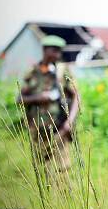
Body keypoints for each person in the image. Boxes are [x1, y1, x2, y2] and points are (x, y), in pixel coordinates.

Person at [18, 35, 80, 178]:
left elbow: (77, 96)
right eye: (54, 50)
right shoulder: (33, 72)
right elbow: (20, 99)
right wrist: (38, 98)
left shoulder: (62, 70)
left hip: (59, 129)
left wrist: (69, 122)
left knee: (63, 171)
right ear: (45, 50)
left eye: (59, 51)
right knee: (43, 171)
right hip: (38, 130)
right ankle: (48, 199)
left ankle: (65, 199)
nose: (57, 55)